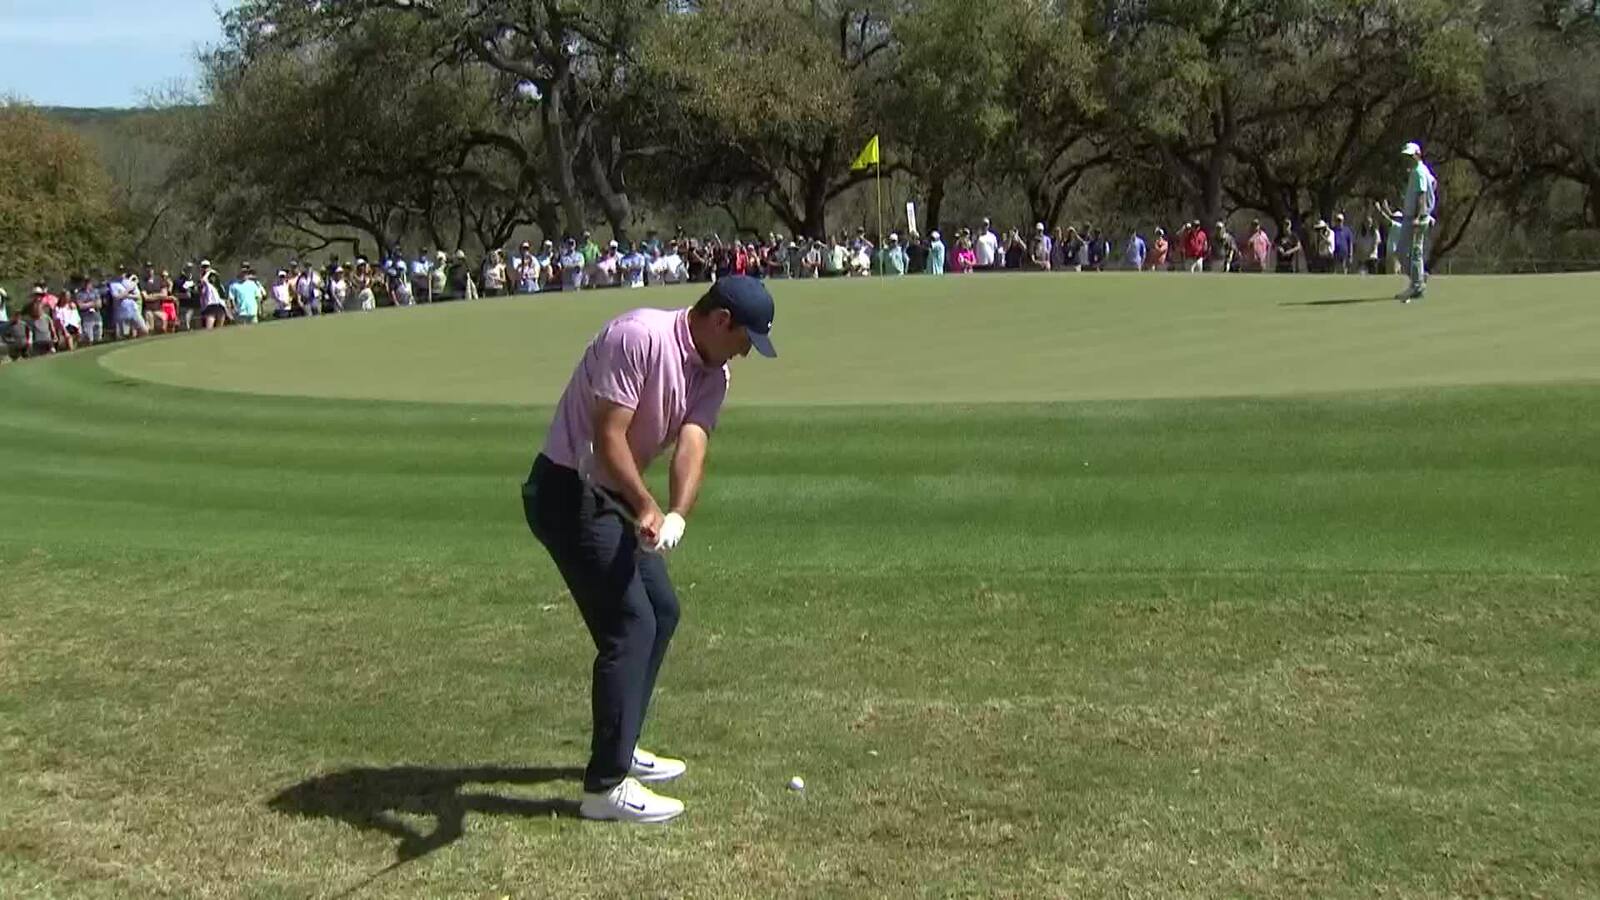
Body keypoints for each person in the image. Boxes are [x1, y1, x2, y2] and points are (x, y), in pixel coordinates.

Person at [521, 275, 778, 824]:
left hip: (613, 494)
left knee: (661, 610)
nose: (744, 352)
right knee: (630, 625)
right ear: (720, 321)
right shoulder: (639, 337)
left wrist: (677, 512)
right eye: (744, 339)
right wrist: (645, 507)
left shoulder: (715, 373)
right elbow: (608, 437)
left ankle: (624, 739)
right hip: (568, 492)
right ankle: (604, 788)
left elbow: (693, 441)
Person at [1394, 141, 1438, 302]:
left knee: (1414, 252)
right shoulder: (1422, 170)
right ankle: (1418, 279)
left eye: (1410, 155)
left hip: (1415, 217)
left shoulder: (1419, 171)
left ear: (1417, 155)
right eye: (1406, 156)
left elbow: (1421, 194)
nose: (1408, 158)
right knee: (1403, 252)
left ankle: (1417, 285)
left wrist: (1420, 215)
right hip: (1414, 216)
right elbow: (1433, 183)